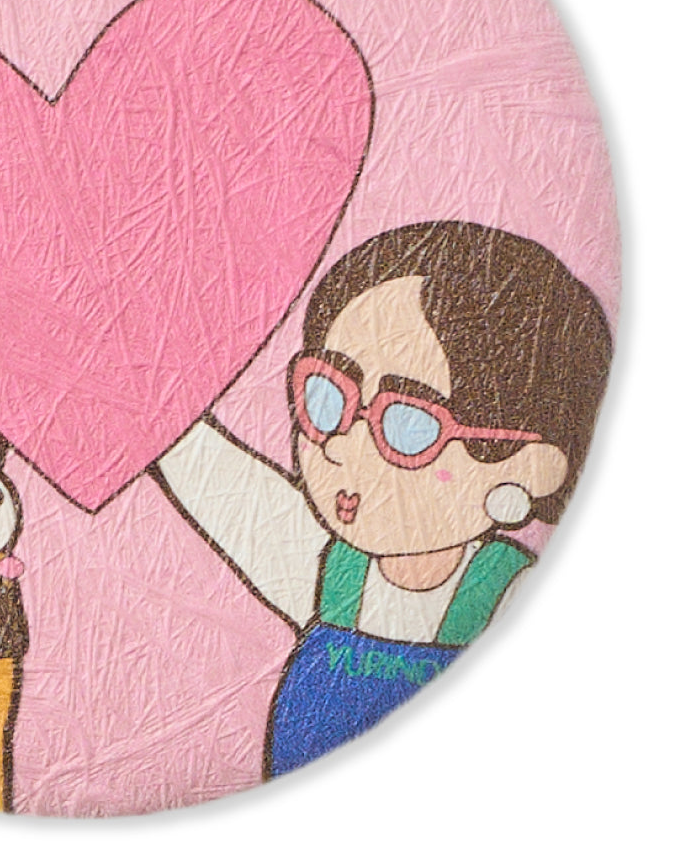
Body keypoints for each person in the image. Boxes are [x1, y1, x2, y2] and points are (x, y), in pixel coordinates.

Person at [158, 221, 612, 778]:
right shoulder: (328, 575)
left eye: (408, 424)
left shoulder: (518, 594)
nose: (342, 444)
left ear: (531, 466)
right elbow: (199, 461)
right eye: (328, 396)